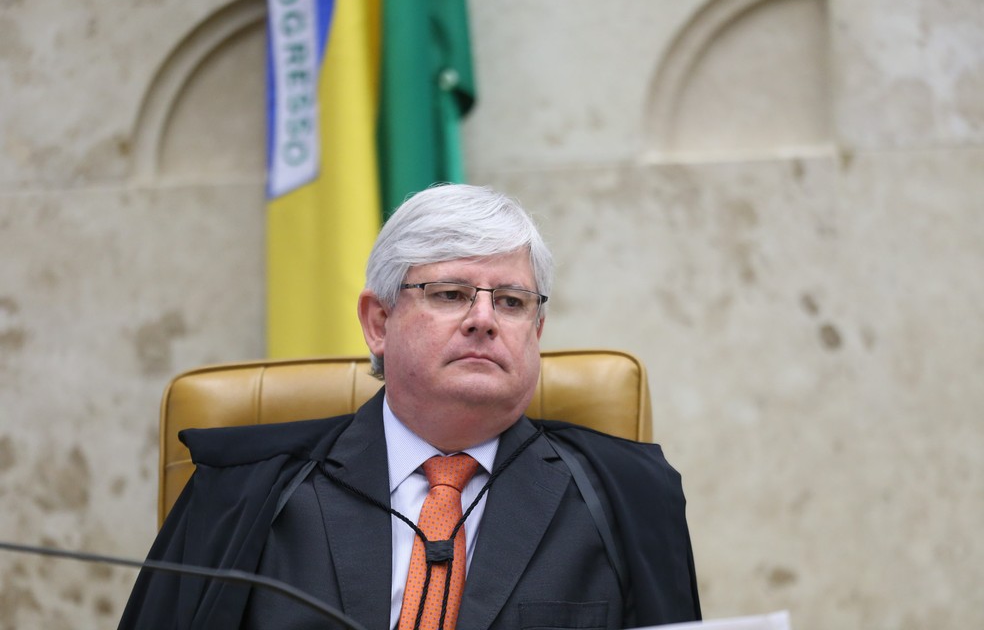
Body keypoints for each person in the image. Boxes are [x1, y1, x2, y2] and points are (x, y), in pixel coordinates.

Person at [119, 184, 700, 629]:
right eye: (450, 294)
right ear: (378, 322)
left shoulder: (630, 493)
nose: (484, 319)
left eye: (512, 301)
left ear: (538, 329)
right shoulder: (244, 489)